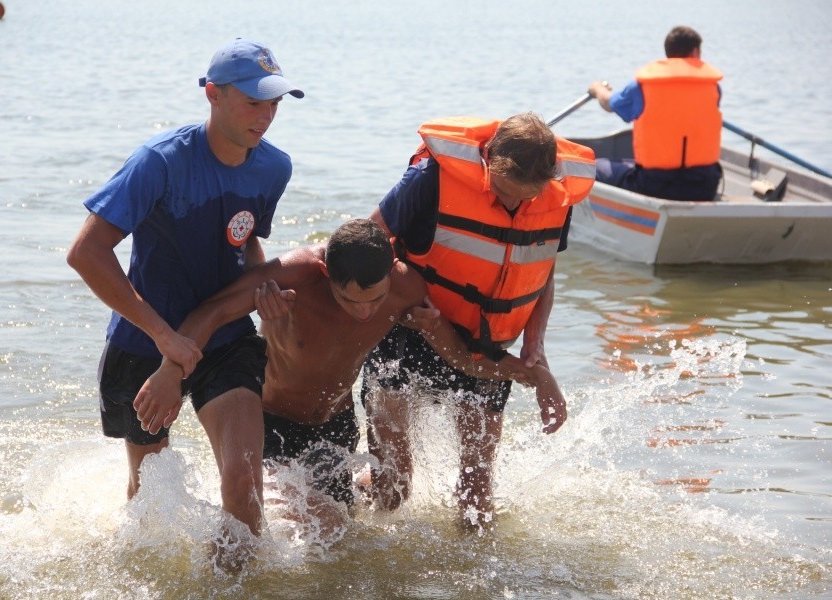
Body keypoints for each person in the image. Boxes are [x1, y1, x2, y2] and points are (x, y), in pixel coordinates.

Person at [132, 219, 560, 540]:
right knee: (320, 525)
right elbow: (211, 312)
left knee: (356, 524)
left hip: (336, 427)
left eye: (373, 301)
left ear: (391, 272)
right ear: (326, 274)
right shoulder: (298, 274)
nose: (363, 312)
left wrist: (532, 373)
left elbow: (462, 357)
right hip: (273, 424)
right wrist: (172, 371)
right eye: (347, 300)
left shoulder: (406, 286)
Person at [65, 38, 303, 556]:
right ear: (213, 95)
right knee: (150, 499)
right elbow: (86, 253)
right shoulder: (159, 162)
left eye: (275, 103)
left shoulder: (274, 167)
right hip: (144, 342)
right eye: (254, 102)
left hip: (226, 339)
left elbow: (245, 239)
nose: (266, 117)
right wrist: (164, 337)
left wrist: (264, 292)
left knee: (245, 488)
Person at [360, 112, 595, 528]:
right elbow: (367, 241)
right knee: (393, 488)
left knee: (477, 494)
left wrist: (535, 349)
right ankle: (349, 495)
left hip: (486, 347)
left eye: (525, 199)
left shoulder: (557, 198)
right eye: (505, 193)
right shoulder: (429, 178)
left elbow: (540, 270)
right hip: (408, 331)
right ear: (489, 162)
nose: (513, 206)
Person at [588, 26, 723, 201]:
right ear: (696, 52)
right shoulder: (714, 88)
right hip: (704, 187)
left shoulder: (642, 86)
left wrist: (597, 89)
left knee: (596, 167)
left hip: (654, 186)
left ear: (668, 53)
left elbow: (609, 103)